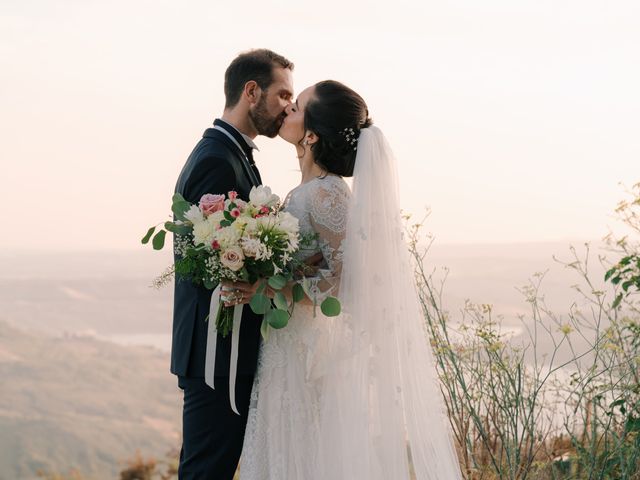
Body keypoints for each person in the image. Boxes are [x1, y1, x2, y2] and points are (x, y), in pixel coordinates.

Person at [231, 80, 463, 479]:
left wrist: (275, 288)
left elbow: (345, 280)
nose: (287, 109)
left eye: (297, 106)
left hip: (308, 352)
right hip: (288, 345)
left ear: (313, 134)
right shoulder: (303, 191)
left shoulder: (327, 194)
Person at [171, 49, 293, 479]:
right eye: (282, 95)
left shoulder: (232, 153)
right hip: (216, 353)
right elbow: (202, 263)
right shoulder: (216, 159)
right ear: (251, 91)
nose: (288, 108)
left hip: (227, 351)